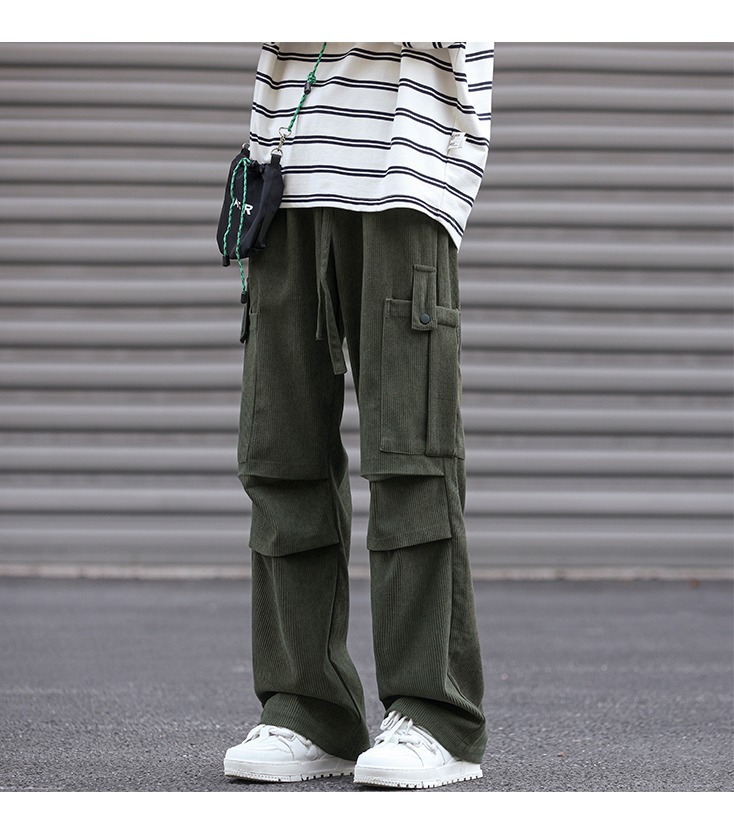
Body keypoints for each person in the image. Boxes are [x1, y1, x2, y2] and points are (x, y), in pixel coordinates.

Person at [223, 41, 495, 790]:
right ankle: (307, 707)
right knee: (280, 456)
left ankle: (436, 716)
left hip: (401, 171)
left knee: (411, 452)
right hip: (284, 174)